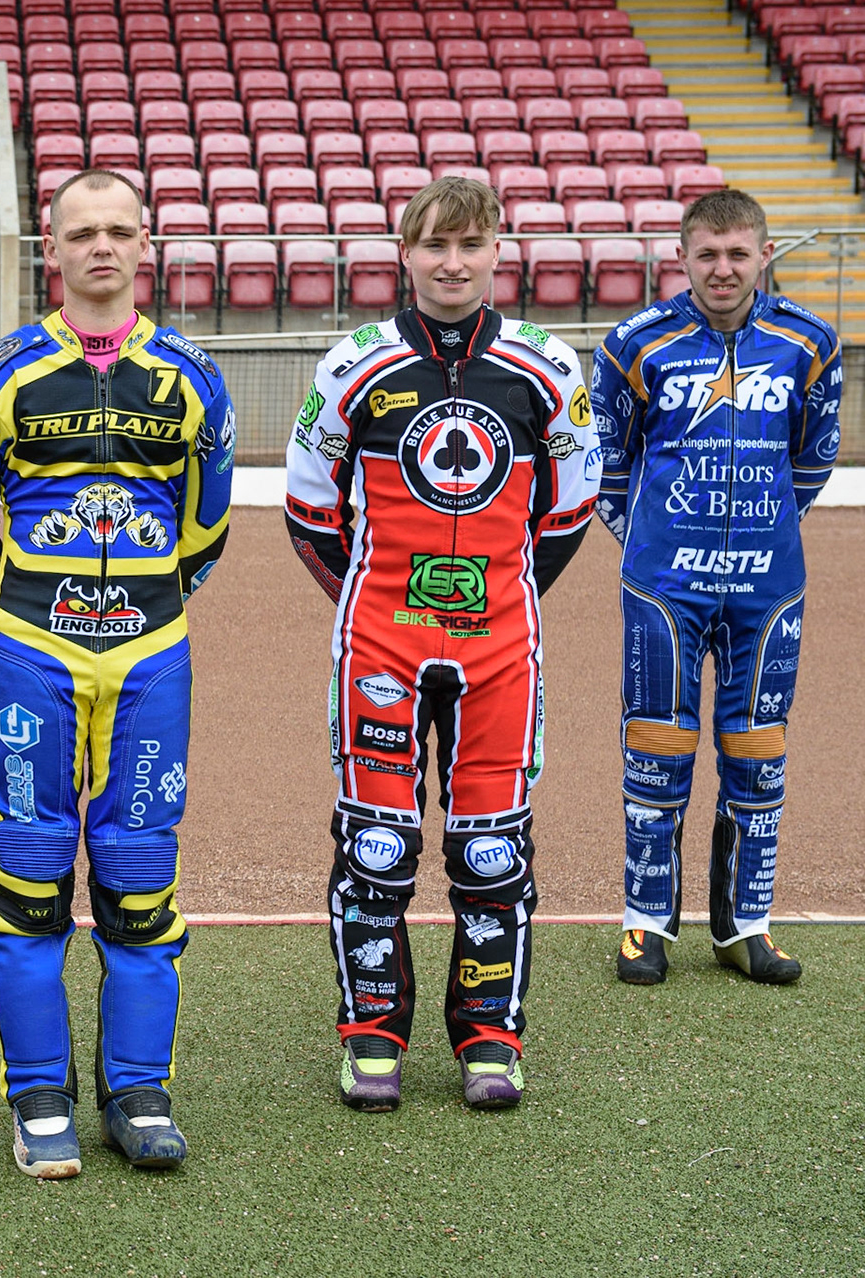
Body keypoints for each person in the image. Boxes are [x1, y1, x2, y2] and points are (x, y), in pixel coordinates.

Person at [284, 176, 599, 1113]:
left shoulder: (551, 368)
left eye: (470, 245)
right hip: (379, 646)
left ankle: (490, 1041)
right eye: (434, 247)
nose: (452, 263)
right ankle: (371, 1039)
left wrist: (501, 602)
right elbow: (309, 511)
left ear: (498, 250)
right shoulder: (354, 364)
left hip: (502, 651)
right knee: (377, 847)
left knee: (492, 851)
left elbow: (571, 510)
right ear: (405, 255)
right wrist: (376, 602)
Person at [0, 169, 234, 1178]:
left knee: (141, 867)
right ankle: (39, 1097)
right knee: (27, 867)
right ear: (52, 251)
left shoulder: (196, 375)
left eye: (118, 230)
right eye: (81, 232)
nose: (100, 246)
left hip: (154, 654)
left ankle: (139, 1090)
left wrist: (139, 607)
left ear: (145, 244)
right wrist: (35, 615)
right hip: (31, 649)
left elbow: (206, 529)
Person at [591, 190, 841, 987]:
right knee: (657, 749)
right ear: (683, 257)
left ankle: (746, 928)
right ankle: (645, 924)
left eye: (739, 254)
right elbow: (609, 466)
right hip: (665, 588)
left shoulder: (811, 342)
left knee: (758, 752)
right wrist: (661, 544)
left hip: (770, 588)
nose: (723, 269)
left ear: (765, 254)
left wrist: (760, 529)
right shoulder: (635, 343)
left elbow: (812, 461)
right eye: (708, 254)